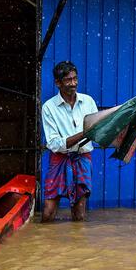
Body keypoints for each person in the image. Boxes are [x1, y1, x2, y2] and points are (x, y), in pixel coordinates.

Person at [40, 60, 99, 222]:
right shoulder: (49, 107)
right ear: (57, 83)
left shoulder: (88, 101)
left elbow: (97, 131)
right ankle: (46, 242)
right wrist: (83, 134)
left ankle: (77, 244)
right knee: (49, 211)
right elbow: (54, 143)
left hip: (82, 158)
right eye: (68, 80)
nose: (73, 83)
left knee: (79, 214)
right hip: (59, 159)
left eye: (75, 79)